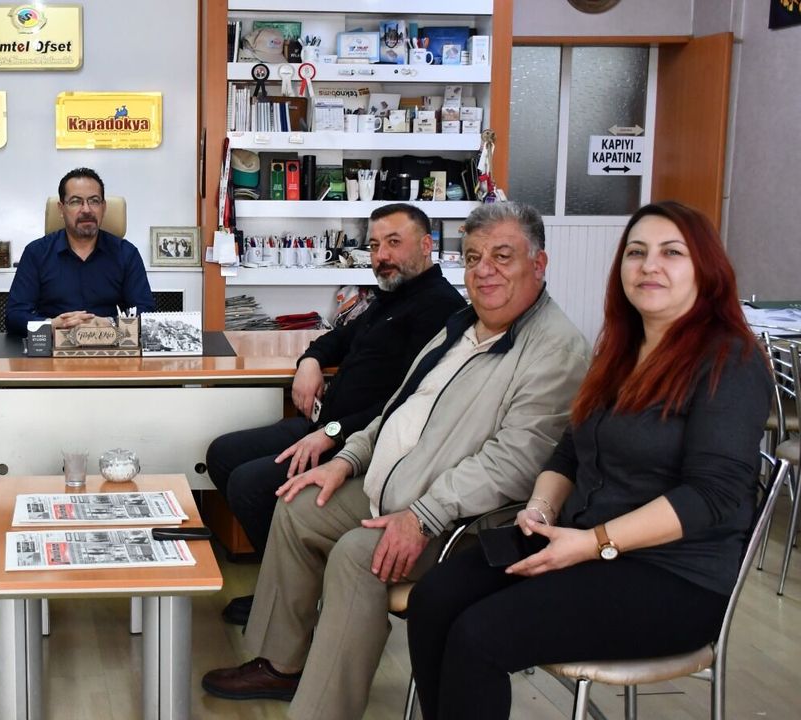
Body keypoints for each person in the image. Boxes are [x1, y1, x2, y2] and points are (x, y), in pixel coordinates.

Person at [201, 202, 590, 720]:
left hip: (462, 522)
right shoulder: (461, 324)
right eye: (474, 257)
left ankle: (322, 710)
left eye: (502, 256)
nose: (484, 271)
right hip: (393, 485)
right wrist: (347, 459)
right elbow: (398, 408)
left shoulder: (555, 350)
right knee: (297, 506)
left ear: (538, 265)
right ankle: (280, 665)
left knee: (357, 555)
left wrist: (422, 515)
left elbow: (514, 464)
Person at [405, 201, 771, 720]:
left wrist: (593, 543)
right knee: (434, 598)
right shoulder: (621, 349)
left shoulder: (730, 360)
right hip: (581, 540)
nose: (649, 266)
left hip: (674, 576)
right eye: (636, 252)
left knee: (479, 636)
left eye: (672, 253)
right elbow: (571, 449)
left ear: (705, 269)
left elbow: (712, 494)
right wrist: (540, 510)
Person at [206, 203, 466, 625]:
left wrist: (332, 432)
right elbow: (336, 339)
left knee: (250, 484)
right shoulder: (389, 298)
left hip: (358, 445)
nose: (381, 256)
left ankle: (293, 602)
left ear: (426, 246)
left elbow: (406, 403)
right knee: (222, 453)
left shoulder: (438, 308)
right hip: (324, 427)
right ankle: (284, 585)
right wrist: (309, 362)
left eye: (393, 243)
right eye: (375, 246)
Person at [4, 167, 155, 335]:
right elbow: (14, 316)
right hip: (53, 346)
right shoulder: (36, 253)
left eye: (94, 201)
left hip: (110, 345)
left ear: (103, 207)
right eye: (76, 201)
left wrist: (111, 323)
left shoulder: (126, 253)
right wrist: (50, 325)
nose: (86, 210)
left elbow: (146, 312)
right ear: (61, 209)